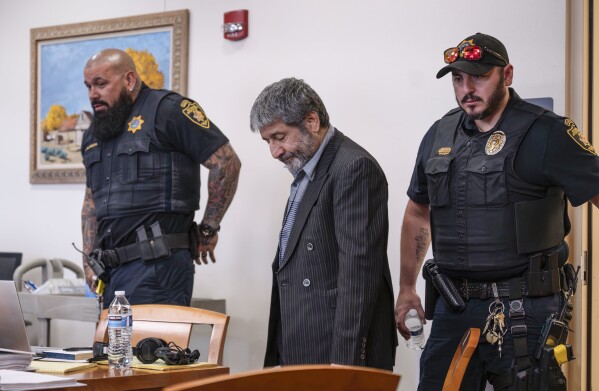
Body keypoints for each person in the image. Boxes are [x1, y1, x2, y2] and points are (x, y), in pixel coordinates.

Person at [394, 32, 599, 390]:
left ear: (507, 75)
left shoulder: (547, 132)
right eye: (458, 79)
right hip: (454, 307)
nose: (466, 88)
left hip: (527, 309)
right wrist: (407, 286)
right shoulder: (439, 134)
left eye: (478, 76)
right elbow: (417, 211)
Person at [250, 77, 397, 370]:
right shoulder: (307, 169)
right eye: (268, 142)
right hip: (301, 344)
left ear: (312, 121)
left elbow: (359, 274)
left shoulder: (353, 167)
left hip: (338, 354)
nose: (275, 152)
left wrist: (345, 363)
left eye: (280, 137)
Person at [80, 49, 241, 308]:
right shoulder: (94, 133)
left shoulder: (168, 110)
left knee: (150, 350)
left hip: (158, 270)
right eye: (88, 86)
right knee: (109, 350)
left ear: (129, 80)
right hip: (111, 274)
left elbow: (226, 162)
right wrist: (89, 260)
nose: (92, 94)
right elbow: (90, 202)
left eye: (100, 84)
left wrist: (209, 228)